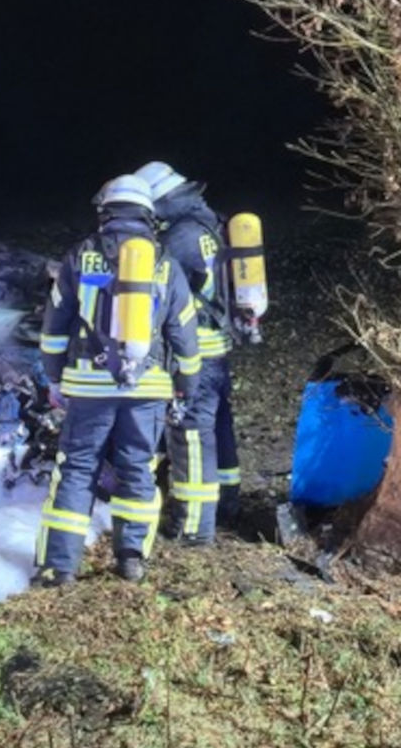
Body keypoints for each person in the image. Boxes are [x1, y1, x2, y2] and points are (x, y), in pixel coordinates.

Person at [32, 174, 201, 587]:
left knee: (76, 469)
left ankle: (60, 567)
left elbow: (55, 325)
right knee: (138, 468)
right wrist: (186, 386)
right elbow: (184, 332)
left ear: (104, 212)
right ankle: (130, 560)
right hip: (148, 388)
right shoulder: (165, 264)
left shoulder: (79, 257)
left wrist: (54, 378)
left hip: (89, 386)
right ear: (148, 215)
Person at [135, 161, 242, 543]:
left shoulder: (179, 237)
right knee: (218, 429)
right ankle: (227, 501)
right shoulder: (209, 223)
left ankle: (196, 527)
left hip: (195, 351)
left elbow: (159, 292)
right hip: (217, 344)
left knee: (192, 434)